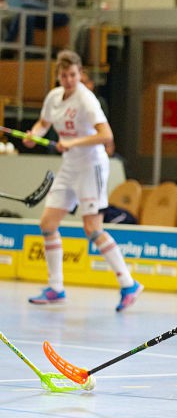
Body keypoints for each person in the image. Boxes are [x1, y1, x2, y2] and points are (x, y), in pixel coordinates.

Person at [24, 50, 143, 311]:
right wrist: (33, 135)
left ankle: (129, 284)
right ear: (58, 75)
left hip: (91, 166)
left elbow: (106, 135)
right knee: (47, 223)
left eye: (73, 75)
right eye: (64, 75)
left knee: (92, 229)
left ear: (80, 74)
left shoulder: (86, 99)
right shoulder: (54, 97)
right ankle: (56, 288)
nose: (69, 80)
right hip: (70, 166)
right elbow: (43, 123)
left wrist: (74, 142)